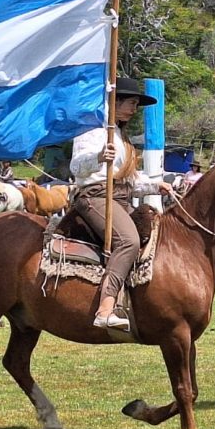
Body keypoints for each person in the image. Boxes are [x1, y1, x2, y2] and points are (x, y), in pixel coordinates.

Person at [71, 77, 172, 330]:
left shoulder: (121, 138)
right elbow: (76, 167)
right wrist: (98, 157)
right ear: (114, 102)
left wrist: (156, 185)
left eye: (137, 104)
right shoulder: (92, 130)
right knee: (129, 240)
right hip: (95, 197)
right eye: (131, 102)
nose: (134, 109)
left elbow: (131, 180)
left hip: (120, 197)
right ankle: (105, 308)